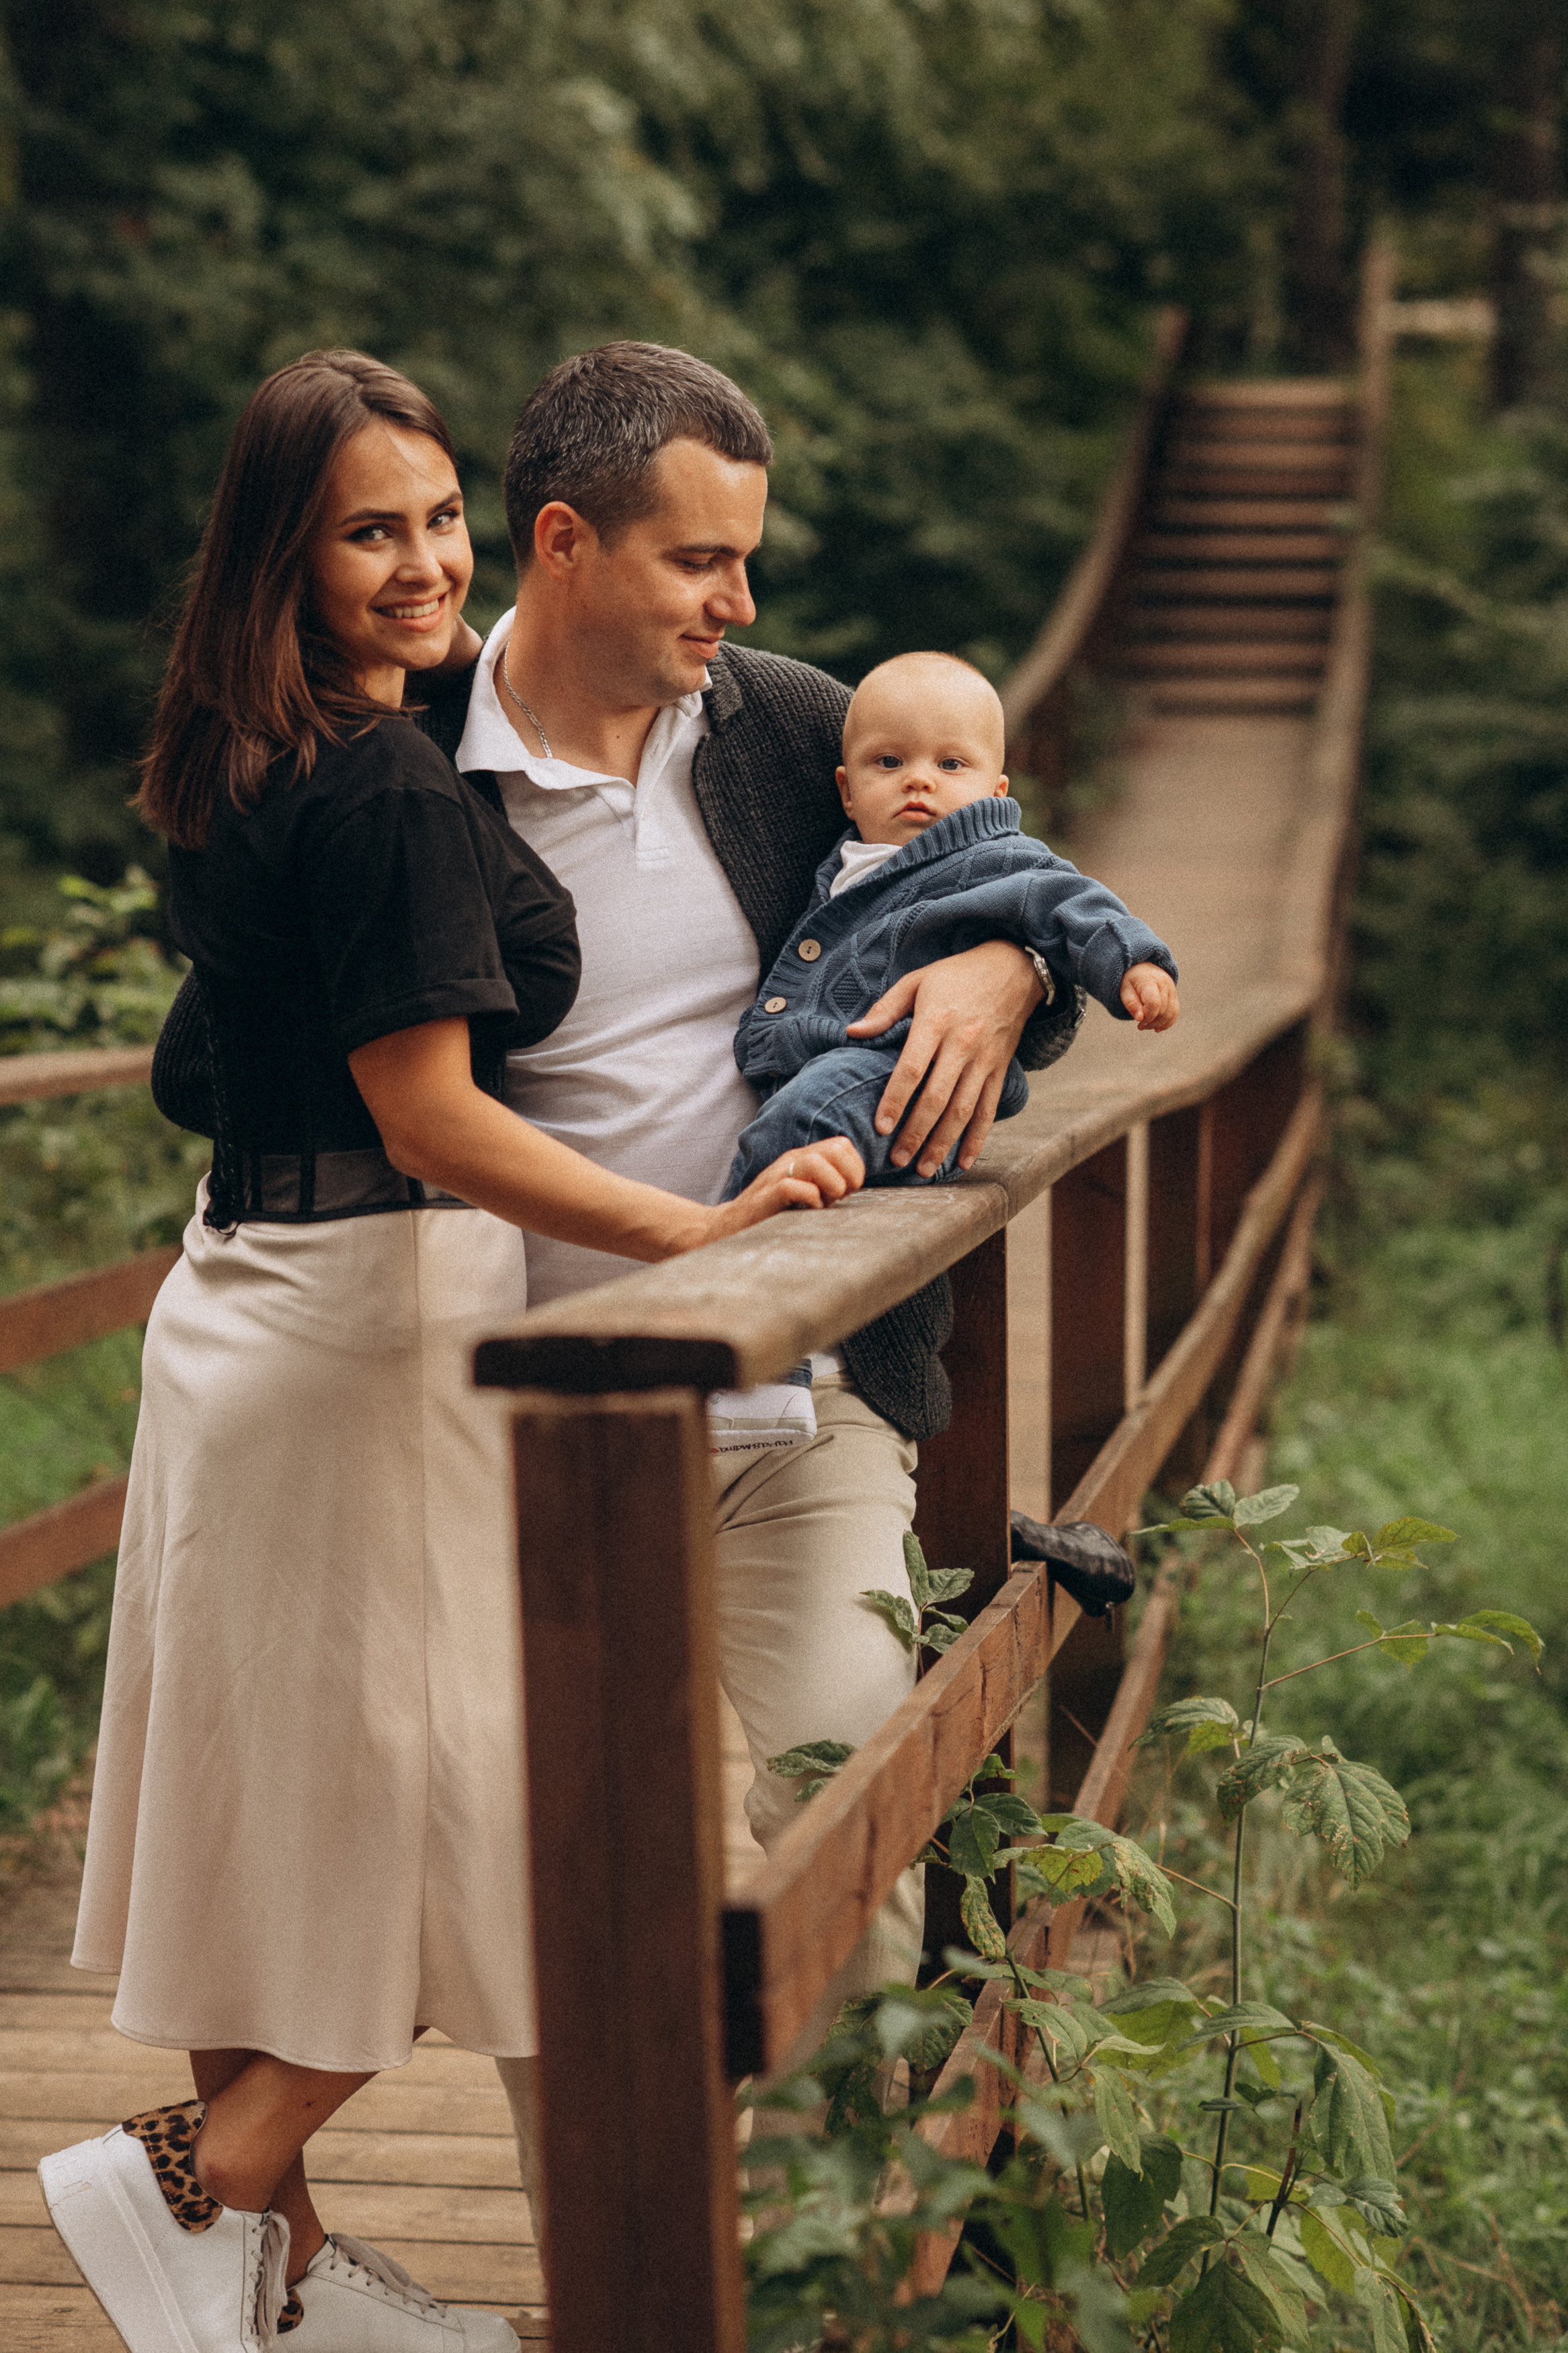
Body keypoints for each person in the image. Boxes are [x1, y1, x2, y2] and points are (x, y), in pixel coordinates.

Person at [40, 350, 860, 2353]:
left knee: (276, 1809)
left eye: (436, 521)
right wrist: (702, 1222)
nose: (422, 564)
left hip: (246, 1299)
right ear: (284, 555)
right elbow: (428, 1112)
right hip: (381, 1327)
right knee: (489, 1822)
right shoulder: (400, 781)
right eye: (369, 529)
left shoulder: (240, 757)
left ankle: (283, 2284)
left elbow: (198, 1062)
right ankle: (204, 2174)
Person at [407, 340, 1089, 2143]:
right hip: (517, 1429)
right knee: (568, 1888)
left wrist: (1001, 960)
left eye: (746, 557)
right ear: (563, 542)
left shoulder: (789, 722)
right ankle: (621, 2275)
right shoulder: (407, 766)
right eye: (701, 559)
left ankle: (833, 2261)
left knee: (844, 1800)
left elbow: (1001, 859)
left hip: (804, 1389)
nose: (743, 597)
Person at [710, 647, 1179, 1445]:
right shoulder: (847, 860)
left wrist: (1133, 964)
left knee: (783, 1142)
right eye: (888, 762)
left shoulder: (991, 858)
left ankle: (757, 1372)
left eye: (950, 763)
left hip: (902, 1067)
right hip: (856, 1072)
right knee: (800, 1158)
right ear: (845, 788)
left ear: (996, 791)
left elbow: (1068, 905)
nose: (918, 781)